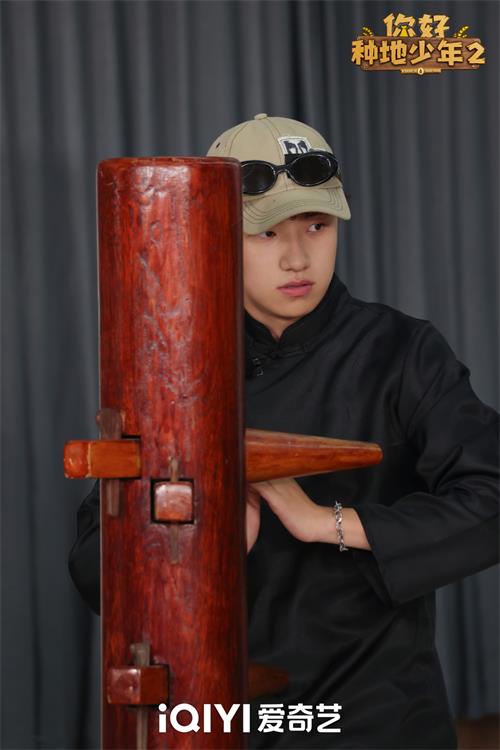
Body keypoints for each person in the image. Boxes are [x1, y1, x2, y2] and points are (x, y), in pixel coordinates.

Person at [69, 114, 499, 749]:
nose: (297, 258)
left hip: (377, 713)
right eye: (266, 232)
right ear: (214, 234)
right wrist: (193, 545)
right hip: (224, 718)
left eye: (317, 226)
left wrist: (326, 522)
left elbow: (492, 499)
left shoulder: (402, 350)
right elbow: (91, 567)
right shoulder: (172, 364)